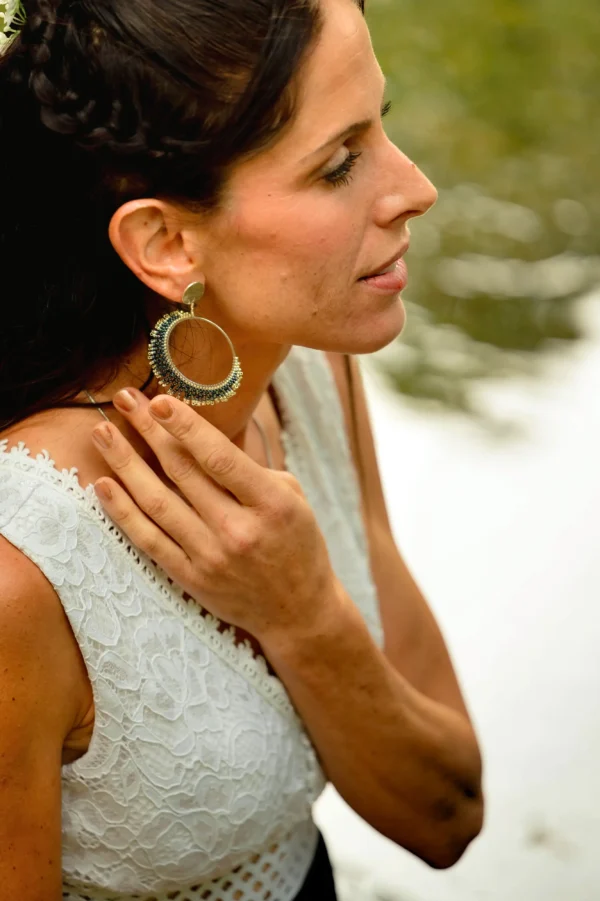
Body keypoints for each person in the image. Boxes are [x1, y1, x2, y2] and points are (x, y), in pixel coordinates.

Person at [0, 0, 484, 898]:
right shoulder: (21, 575)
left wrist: (303, 613)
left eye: (386, 123)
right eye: (339, 163)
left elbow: (449, 811)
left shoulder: (313, 379)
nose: (414, 186)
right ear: (167, 242)